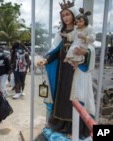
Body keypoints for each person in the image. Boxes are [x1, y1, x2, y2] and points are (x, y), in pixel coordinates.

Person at [37, 1, 95, 139]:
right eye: (63, 15)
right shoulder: (61, 33)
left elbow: (90, 47)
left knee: (75, 99)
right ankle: (59, 125)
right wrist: (46, 60)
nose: (66, 17)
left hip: (76, 72)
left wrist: (86, 53)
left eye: (68, 14)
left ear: (74, 15)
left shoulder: (81, 31)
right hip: (62, 72)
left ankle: (75, 130)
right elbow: (56, 51)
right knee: (61, 98)